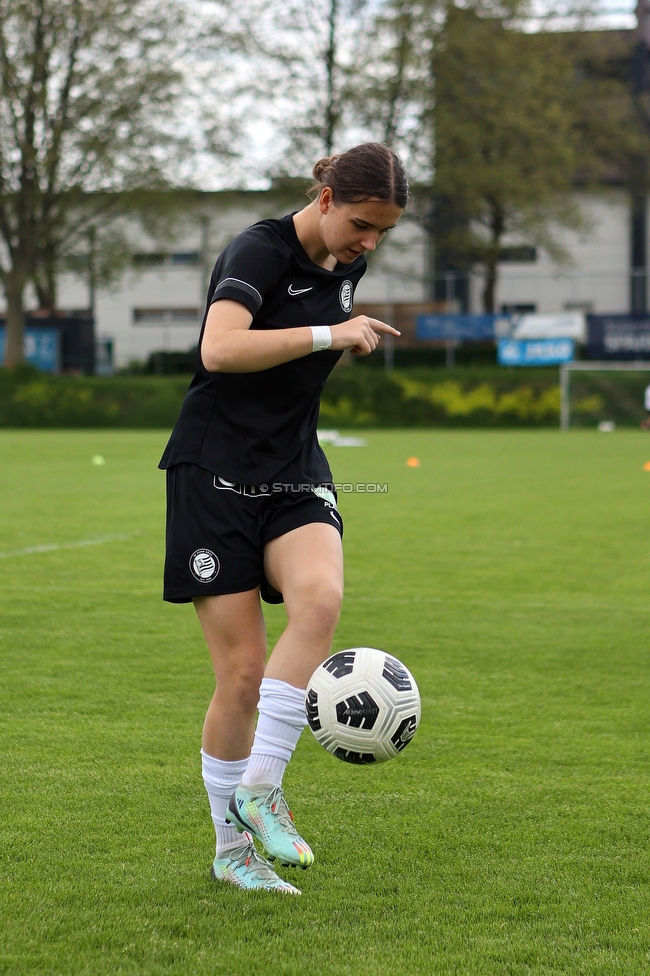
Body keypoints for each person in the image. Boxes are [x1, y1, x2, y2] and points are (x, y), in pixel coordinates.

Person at [159, 142, 408, 894]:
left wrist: (334, 343)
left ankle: (263, 786)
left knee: (322, 601)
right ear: (327, 198)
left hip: (294, 469)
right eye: (362, 224)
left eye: (383, 234)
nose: (369, 243)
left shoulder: (347, 265)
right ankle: (232, 852)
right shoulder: (257, 250)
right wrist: (332, 334)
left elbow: (297, 364)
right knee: (238, 677)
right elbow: (221, 348)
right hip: (213, 473)